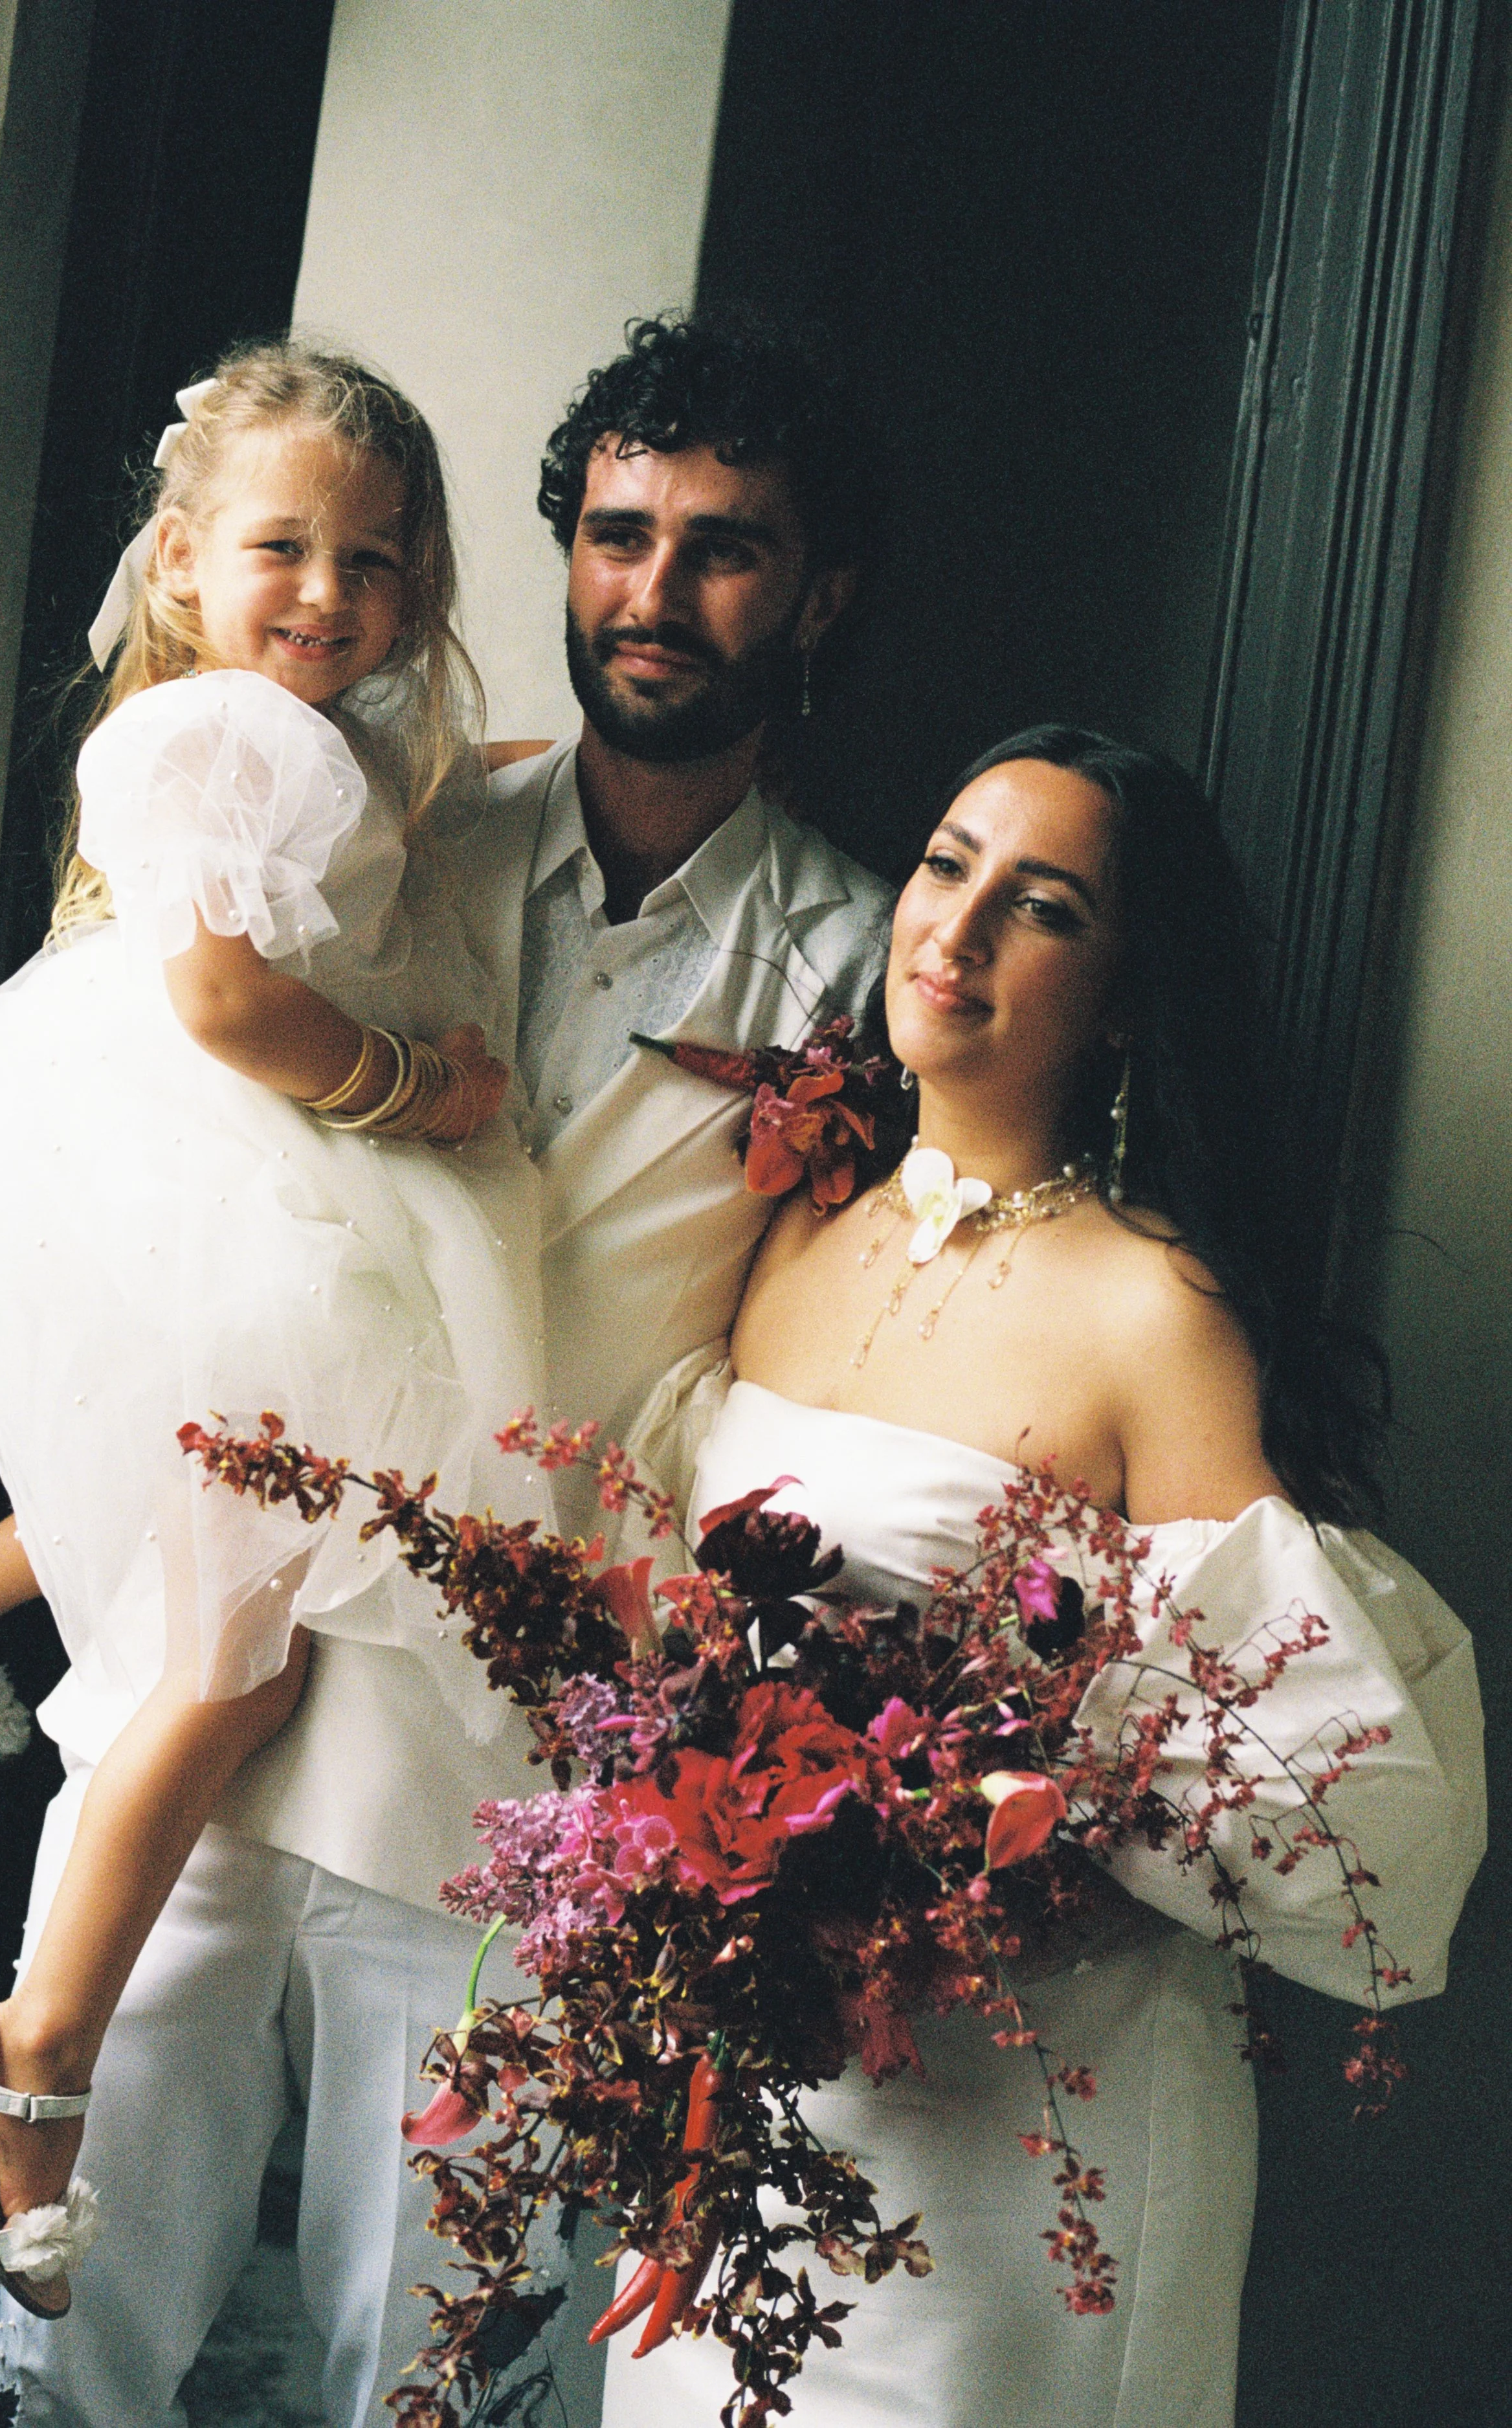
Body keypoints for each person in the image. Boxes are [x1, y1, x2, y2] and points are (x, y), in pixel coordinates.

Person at [0, 313, 895, 2425]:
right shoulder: (373, 819)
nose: (653, 589)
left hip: (513, 1769)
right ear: (564, 555)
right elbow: (182, 1231)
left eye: (725, 548)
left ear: (817, 594)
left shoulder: (854, 959)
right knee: (74, 2317)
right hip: (225, 1701)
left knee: (437, 2368)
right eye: (618, 534)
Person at [598, 730, 1486, 2428]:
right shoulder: (791, 1227)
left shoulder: (1154, 1307)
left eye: (1044, 906)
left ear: (1127, 989)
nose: (959, 925)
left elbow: (1273, 1757)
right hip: (770, 2080)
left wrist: (978, 1836)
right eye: (946, 865)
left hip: (1026, 2112)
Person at [0, 341, 544, 2344]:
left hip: (165, 1160)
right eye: (281, 546)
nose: (326, 593)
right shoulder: (241, 743)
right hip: (227, 1155)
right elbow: (229, 1003)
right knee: (232, 1654)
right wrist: (410, 1095)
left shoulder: (257, 727)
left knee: (182, 1500)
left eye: (374, 559)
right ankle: (40, 2065)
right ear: (179, 560)